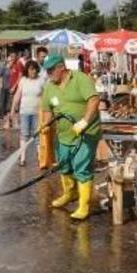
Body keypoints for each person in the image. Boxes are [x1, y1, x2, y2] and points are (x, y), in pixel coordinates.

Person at [41, 54, 101, 220]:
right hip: (64, 136)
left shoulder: (80, 79)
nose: (48, 74)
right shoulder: (50, 86)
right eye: (47, 71)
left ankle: (84, 206)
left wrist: (84, 121)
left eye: (51, 70)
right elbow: (47, 109)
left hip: (85, 134)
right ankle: (70, 194)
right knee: (64, 166)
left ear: (62, 67)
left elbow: (94, 100)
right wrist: (46, 125)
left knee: (81, 167)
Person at [11, 60, 44, 166]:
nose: (33, 71)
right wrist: (13, 109)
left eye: (34, 69)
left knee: (38, 135)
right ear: (27, 70)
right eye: (30, 69)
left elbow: (45, 95)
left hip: (37, 112)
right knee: (24, 134)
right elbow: (17, 95)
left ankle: (40, 157)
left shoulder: (41, 81)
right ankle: (23, 158)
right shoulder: (23, 80)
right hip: (24, 111)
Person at [34, 46, 55, 170]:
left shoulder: (49, 69)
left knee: (50, 131)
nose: (44, 59)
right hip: (39, 105)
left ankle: (50, 157)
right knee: (40, 131)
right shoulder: (35, 70)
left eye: (46, 57)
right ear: (37, 57)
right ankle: (41, 157)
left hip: (49, 103)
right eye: (42, 57)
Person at [0, 53, 14, 129]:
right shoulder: (3, 68)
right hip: (4, 88)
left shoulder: (13, 69)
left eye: (12, 61)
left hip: (10, 88)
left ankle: (7, 117)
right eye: (10, 61)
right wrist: (0, 84)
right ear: (7, 60)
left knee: (9, 104)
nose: (11, 62)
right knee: (2, 103)